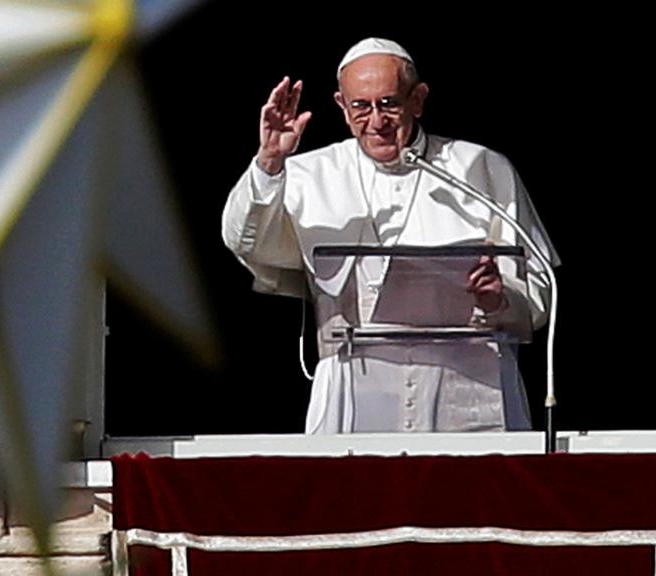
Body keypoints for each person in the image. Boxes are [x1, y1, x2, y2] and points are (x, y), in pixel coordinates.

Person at [222, 38, 559, 433]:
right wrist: (268, 163)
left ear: (418, 99)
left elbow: (542, 287)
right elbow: (245, 241)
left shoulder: (479, 167)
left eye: (389, 104)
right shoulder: (307, 174)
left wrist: (499, 299)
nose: (376, 121)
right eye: (360, 106)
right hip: (354, 394)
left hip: (467, 391)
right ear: (341, 107)